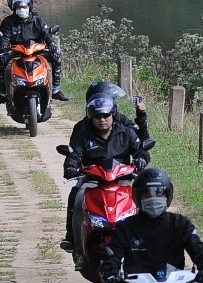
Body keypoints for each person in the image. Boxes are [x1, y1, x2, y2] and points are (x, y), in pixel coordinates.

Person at [61, 83, 150, 254]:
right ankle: (74, 241)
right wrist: (71, 167)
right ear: (90, 115)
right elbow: (73, 154)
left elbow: (142, 149)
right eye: (98, 116)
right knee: (77, 196)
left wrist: (140, 160)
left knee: (143, 194)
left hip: (123, 177)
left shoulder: (125, 131)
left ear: (113, 113)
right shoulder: (82, 133)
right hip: (92, 180)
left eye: (106, 115)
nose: (102, 119)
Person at [0, 0, 68, 104]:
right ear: (13, 8)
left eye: (24, 7)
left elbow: (45, 33)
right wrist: (3, 46)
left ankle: (55, 89)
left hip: (37, 50)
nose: (22, 9)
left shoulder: (37, 19)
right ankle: (3, 93)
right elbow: (4, 37)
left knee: (56, 57)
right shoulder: (8, 22)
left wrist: (51, 43)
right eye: (18, 7)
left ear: (29, 7)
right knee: (0, 60)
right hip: (16, 53)